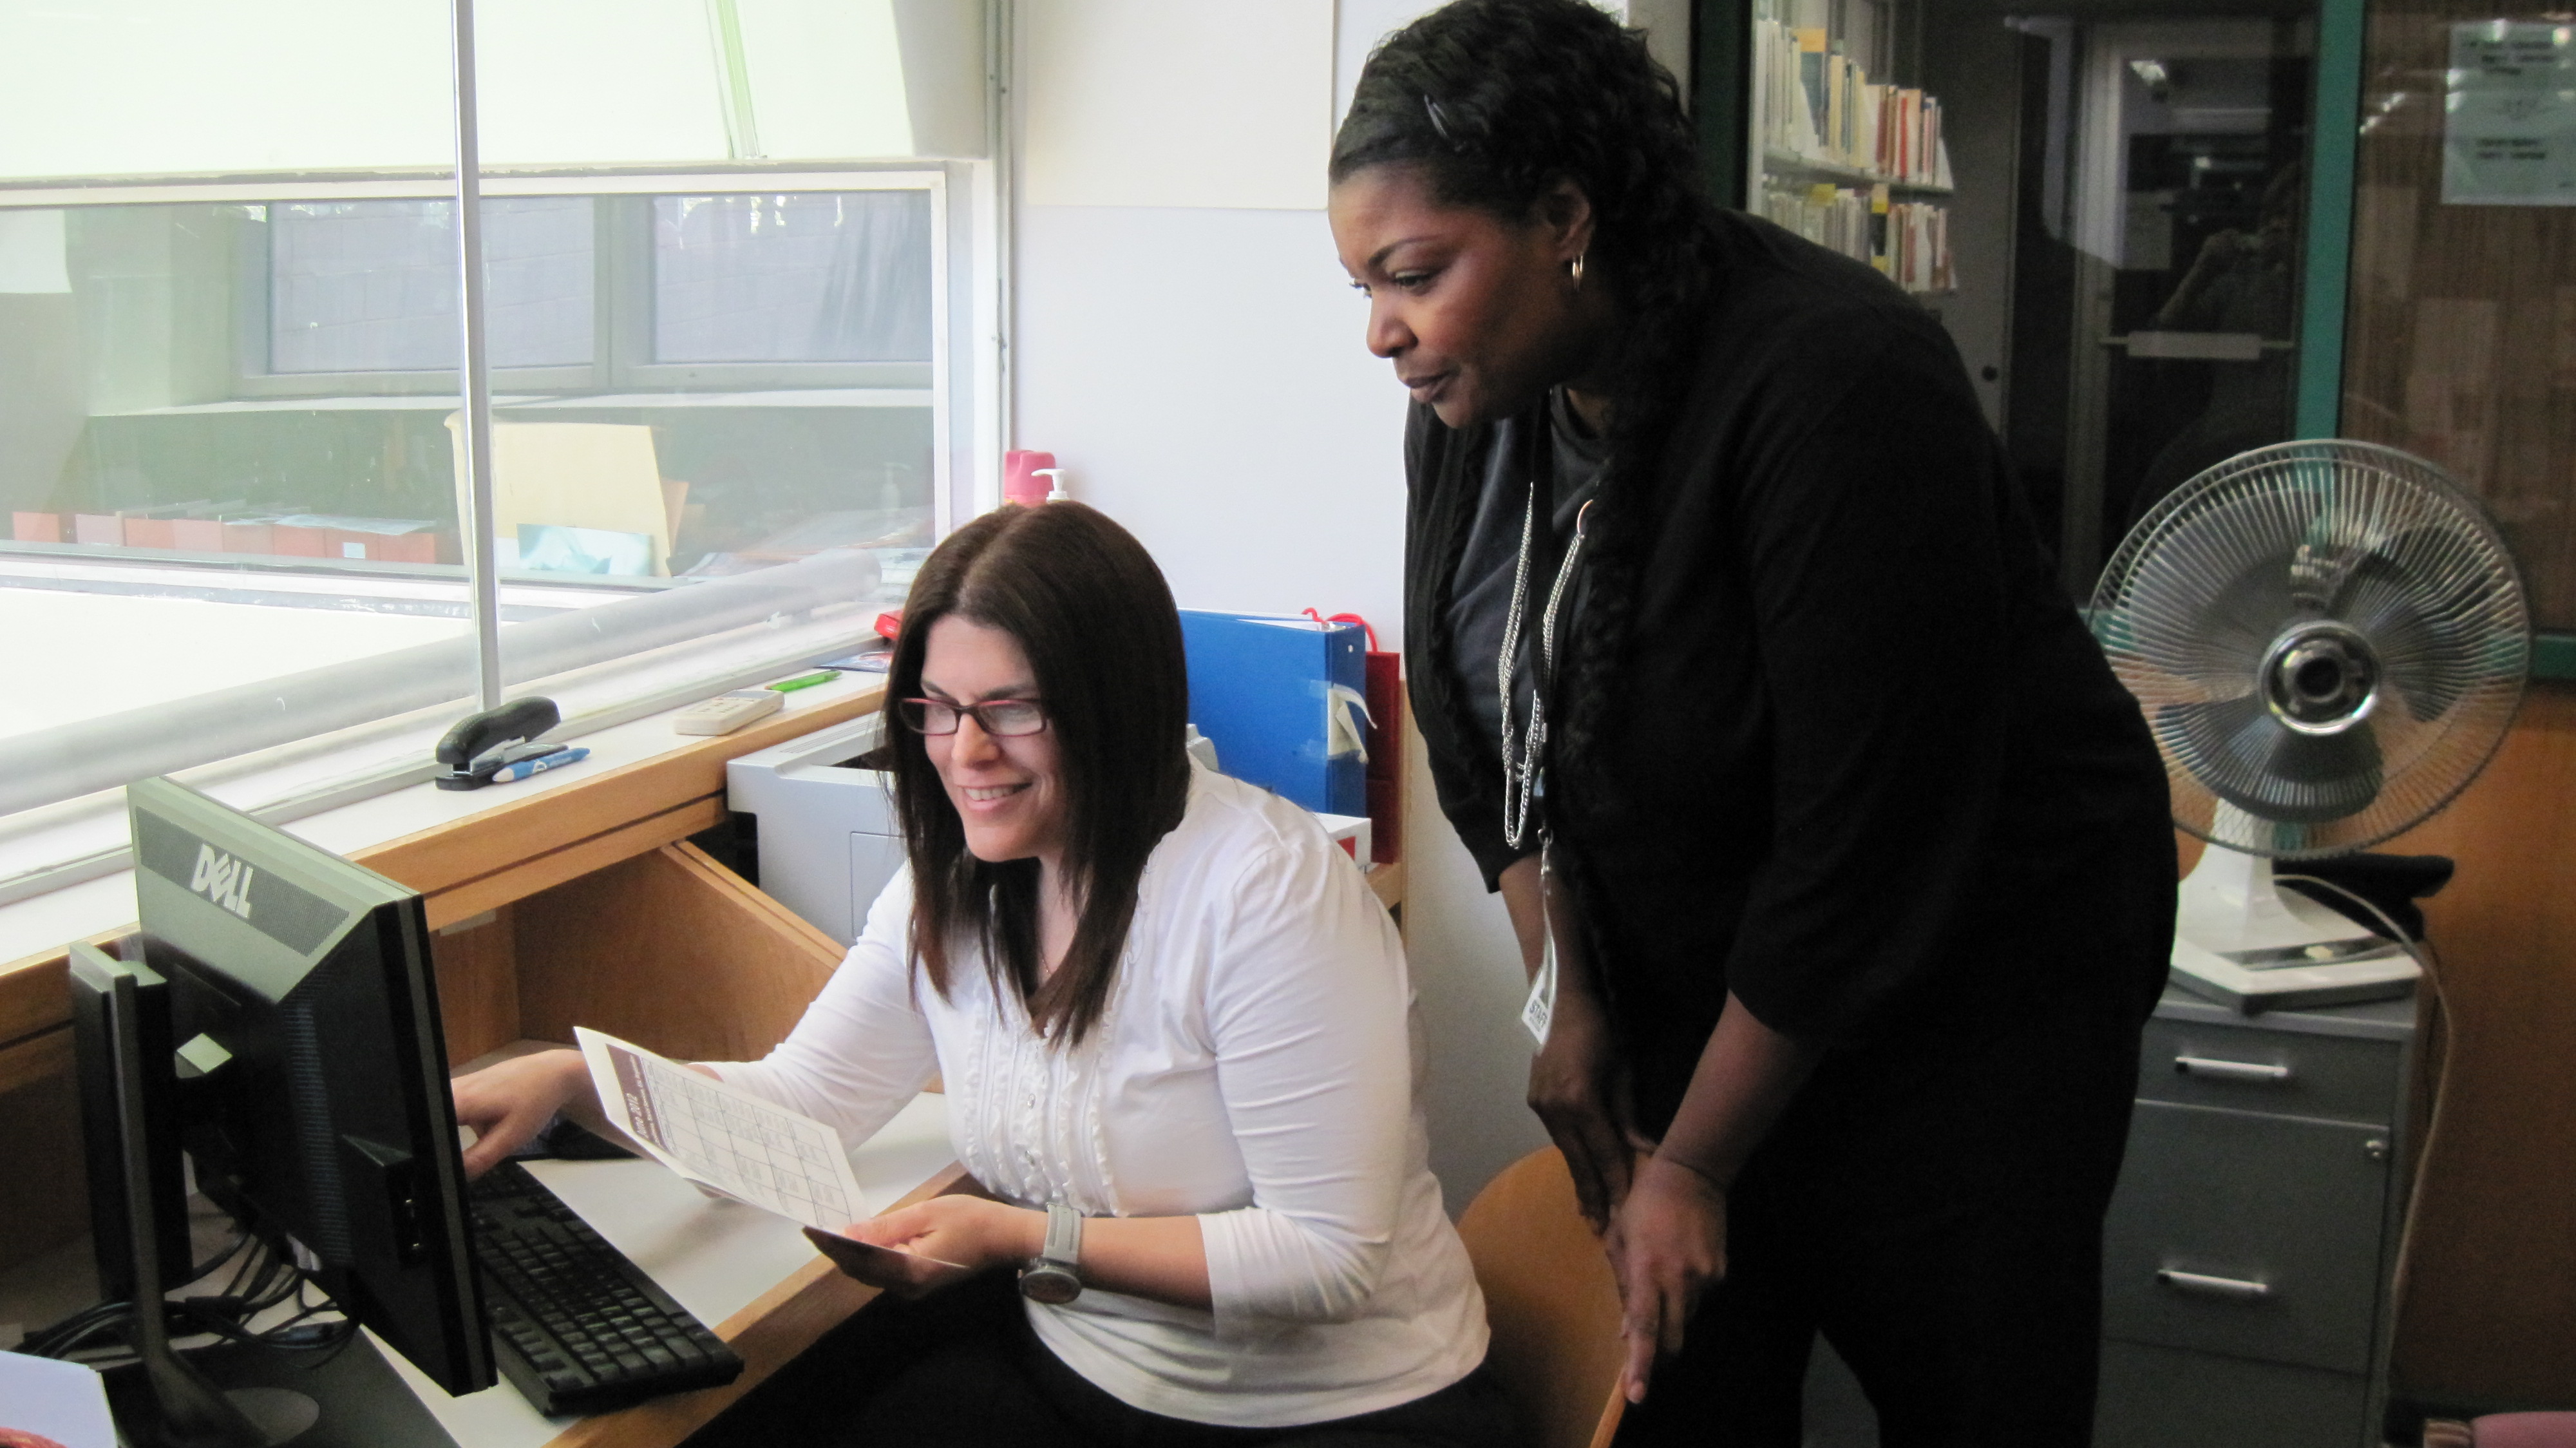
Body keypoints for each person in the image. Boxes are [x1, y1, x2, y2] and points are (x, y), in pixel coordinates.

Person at [1325, 3, 2175, 1445]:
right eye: (1359, 285)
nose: (1380, 334)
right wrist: (1568, 992)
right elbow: (1490, 735)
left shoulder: (1832, 382)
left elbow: (1864, 837)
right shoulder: (1479, 406)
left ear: (1563, 217)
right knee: (1683, 1380)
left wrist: (1696, 1158)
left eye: (1411, 275)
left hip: (1969, 992)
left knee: (1968, 1385)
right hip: (1708, 970)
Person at [451, 502, 1511, 1447]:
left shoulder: (1264, 894)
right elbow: (802, 1102)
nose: (964, 752)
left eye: (1011, 709)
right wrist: (576, 1081)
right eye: (936, 709)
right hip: (1080, 1370)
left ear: (1116, 707)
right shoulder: (953, 885)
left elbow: (1327, 1259)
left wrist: (1024, 1239)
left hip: (1325, 1413)